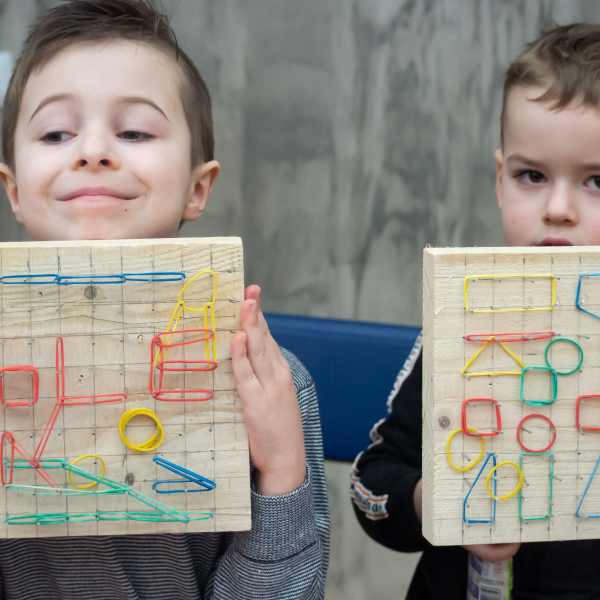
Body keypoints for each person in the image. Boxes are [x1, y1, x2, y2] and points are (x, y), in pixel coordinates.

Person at [0, 1, 328, 598]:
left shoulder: (269, 387)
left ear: (197, 188)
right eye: (56, 133)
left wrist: (283, 471)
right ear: (14, 189)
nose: (93, 150)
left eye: (133, 131)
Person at [351, 23, 600, 600]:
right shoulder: (468, 326)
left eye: (597, 180)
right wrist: (435, 503)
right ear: (500, 180)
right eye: (532, 176)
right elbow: (372, 484)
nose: (558, 209)